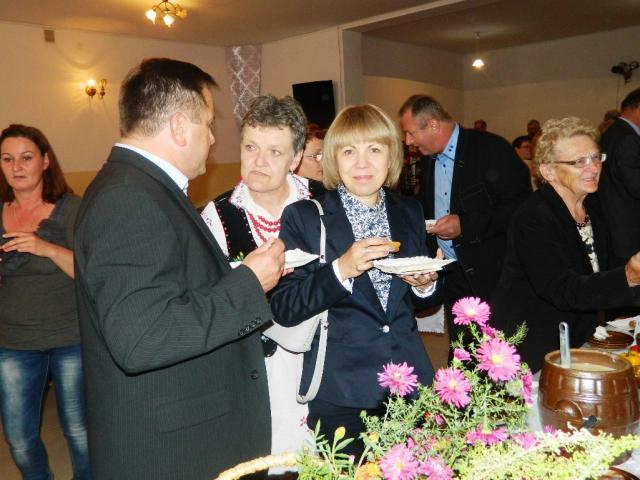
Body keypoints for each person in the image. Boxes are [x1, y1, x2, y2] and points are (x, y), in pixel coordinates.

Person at [74, 58, 285, 480]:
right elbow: (143, 337)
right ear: (179, 127)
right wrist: (247, 283)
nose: (212, 138)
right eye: (208, 124)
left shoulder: (142, 188)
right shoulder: (127, 200)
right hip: (170, 452)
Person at [270, 104, 441, 457]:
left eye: (374, 150)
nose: (362, 163)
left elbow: (417, 304)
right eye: (349, 151)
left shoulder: (409, 210)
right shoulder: (306, 217)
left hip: (409, 381)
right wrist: (340, 270)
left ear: (391, 156)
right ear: (334, 158)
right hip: (341, 390)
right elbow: (285, 307)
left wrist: (424, 284)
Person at [200, 95, 315, 470]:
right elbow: (207, 299)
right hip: (254, 366)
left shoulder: (323, 204)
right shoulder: (217, 216)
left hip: (319, 362)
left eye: (274, 152)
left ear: (296, 158)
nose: (258, 161)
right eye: (250, 147)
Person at [492, 117, 640, 372]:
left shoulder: (592, 206)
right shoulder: (533, 217)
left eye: (596, 158)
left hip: (577, 333)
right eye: (579, 161)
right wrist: (628, 277)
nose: (593, 168)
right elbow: (562, 289)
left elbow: (602, 269)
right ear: (548, 171)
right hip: (532, 340)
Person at [399, 94, 531, 349]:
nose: (408, 142)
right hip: (453, 273)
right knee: (461, 349)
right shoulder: (429, 159)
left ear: (434, 125)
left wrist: (465, 224)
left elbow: (520, 208)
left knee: (498, 350)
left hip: (493, 273)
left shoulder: (491, 149)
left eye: (411, 133)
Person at [0, 124, 89, 480]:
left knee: (80, 432)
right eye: (7, 159)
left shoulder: (72, 209)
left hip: (70, 338)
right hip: (14, 341)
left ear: (45, 161)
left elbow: (91, 273)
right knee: (19, 439)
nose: (16, 167)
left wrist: (45, 248)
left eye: (26, 157)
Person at [598, 88, 640, 267]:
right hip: (628, 229)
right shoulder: (627, 138)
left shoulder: (612, 132)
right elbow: (636, 185)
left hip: (615, 225)